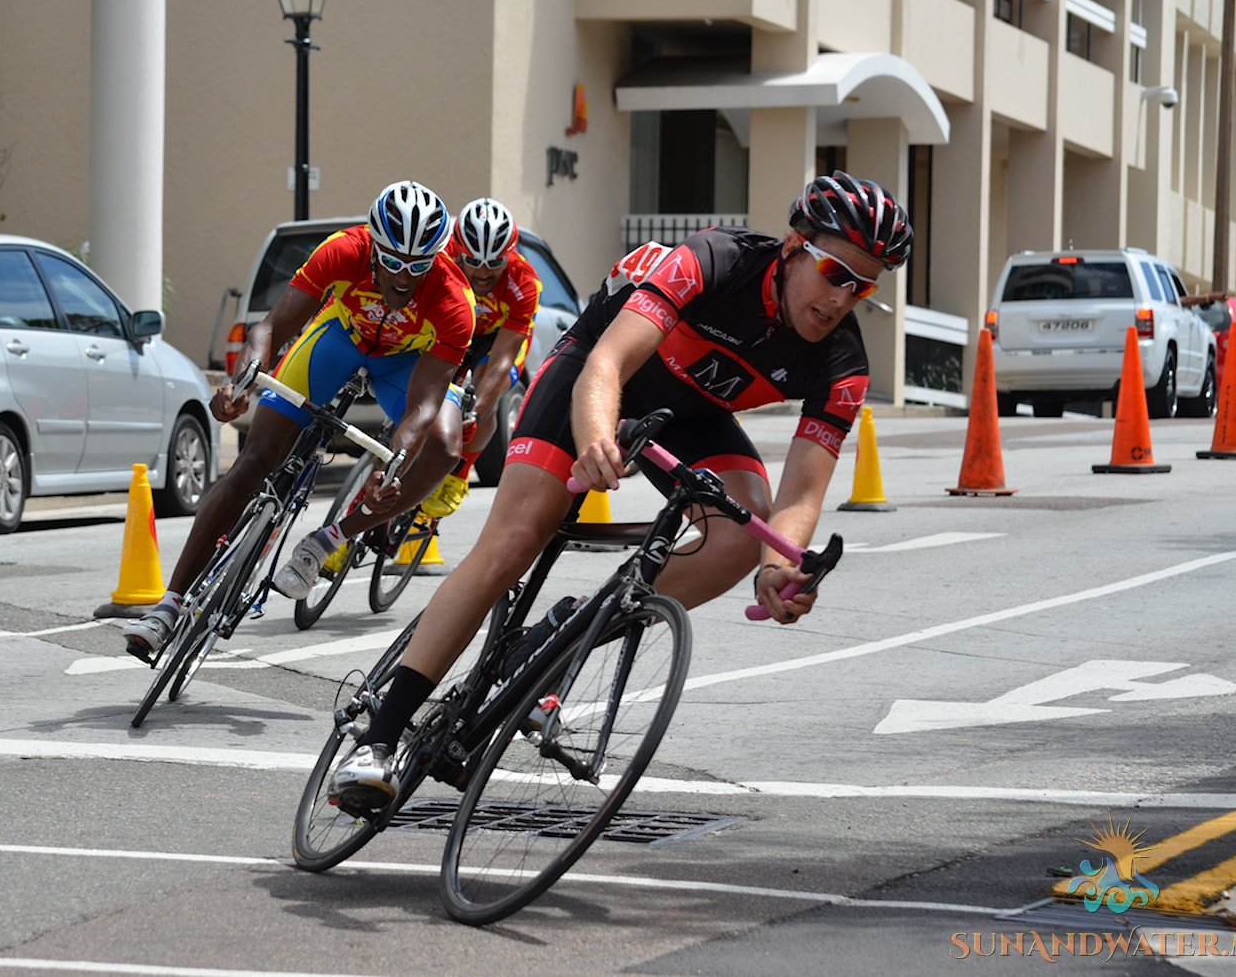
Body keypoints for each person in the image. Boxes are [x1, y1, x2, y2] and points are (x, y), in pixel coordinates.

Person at [329, 170, 913, 807]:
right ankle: (378, 740)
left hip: (689, 415)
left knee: (744, 531)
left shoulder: (842, 363)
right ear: (796, 246)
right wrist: (598, 439)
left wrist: (780, 564)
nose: (841, 300)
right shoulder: (714, 262)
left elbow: (802, 492)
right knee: (517, 538)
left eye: (863, 289)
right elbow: (606, 365)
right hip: (595, 373)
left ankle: (567, 633)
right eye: (836, 275)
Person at [122, 180, 475, 661]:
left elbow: (424, 405)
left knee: (444, 445)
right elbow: (270, 328)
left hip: (405, 363)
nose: (402, 278)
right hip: (342, 338)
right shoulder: (343, 251)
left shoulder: (455, 300)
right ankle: (169, 604)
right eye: (392, 262)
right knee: (255, 461)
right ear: (373, 246)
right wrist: (240, 382)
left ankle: (331, 539)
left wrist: (393, 465)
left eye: (418, 266)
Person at [415, 197, 542, 520]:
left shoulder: (524, 282)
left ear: (509, 255)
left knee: (488, 390)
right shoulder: (442, 266)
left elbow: (502, 359)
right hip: (455, 327)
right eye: (473, 261)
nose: (483, 273)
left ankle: (460, 476)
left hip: (496, 339)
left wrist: (476, 410)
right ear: (458, 251)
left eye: (494, 263)